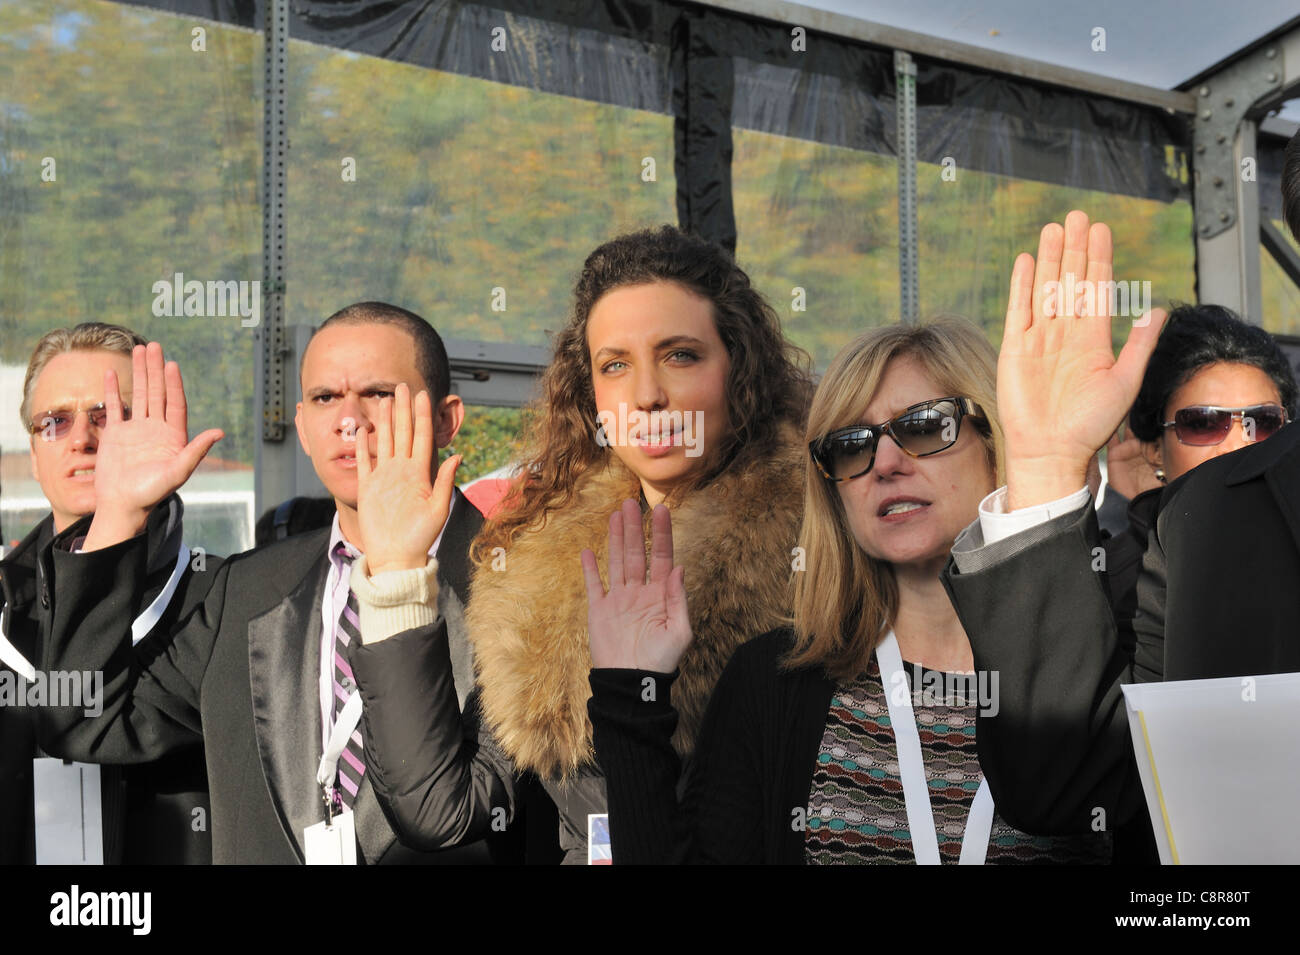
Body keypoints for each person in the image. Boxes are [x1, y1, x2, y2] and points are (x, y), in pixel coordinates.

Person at [348, 225, 813, 863]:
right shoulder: (541, 557)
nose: (647, 395)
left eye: (680, 355)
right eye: (615, 365)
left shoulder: (825, 548)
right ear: (590, 392)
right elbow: (442, 810)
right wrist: (398, 574)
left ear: (741, 367)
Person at [581, 316, 1114, 863]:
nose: (885, 463)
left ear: (998, 442)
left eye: (925, 426)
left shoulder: (1106, 672)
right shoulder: (773, 680)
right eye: (851, 445)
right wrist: (630, 693)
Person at [36, 302, 501, 864]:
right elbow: (83, 721)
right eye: (326, 398)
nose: (348, 419)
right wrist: (117, 517)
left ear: (448, 419)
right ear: (302, 426)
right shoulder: (245, 589)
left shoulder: (528, 588)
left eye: (378, 393)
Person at [940, 210, 1300, 841]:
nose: (1241, 445)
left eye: (1264, 423)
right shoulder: (1150, 579)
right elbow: (1069, 780)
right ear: (1151, 446)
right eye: (1205, 422)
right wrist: (1046, 468)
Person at [1, 322, 212, 865]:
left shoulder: (222, 603)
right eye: (56, 421)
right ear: (33, 448)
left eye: (107, 415)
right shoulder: (2, 608)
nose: (82, 439)